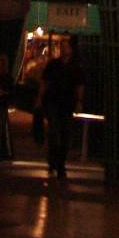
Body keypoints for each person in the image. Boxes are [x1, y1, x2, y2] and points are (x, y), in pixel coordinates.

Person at [37, 38, 85, 182]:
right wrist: (40, 98)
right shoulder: (53, 64)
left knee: (65, 134)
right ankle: (53, 161)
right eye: (62, 47)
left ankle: (60, 163)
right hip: (53, 101)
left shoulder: (75, 67)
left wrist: (79, 101)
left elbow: (80, 85)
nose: (64, 49)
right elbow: (45, 82)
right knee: (53, 132)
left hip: (67, 103)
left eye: (66, 47)